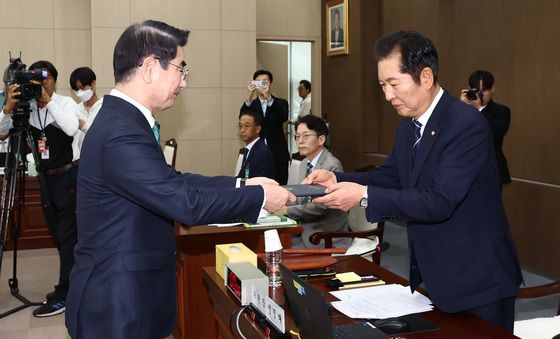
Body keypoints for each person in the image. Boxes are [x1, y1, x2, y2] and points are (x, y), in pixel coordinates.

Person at [64, 20, 294, 339]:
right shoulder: (121, 131)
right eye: (180, 69)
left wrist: (245, 185)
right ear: (148, 68)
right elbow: (183, 202)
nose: (184, 82)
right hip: (117, 303)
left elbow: (174, 181)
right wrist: (260, 200)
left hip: (129, 293)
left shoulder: (124, 120)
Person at [307, 31, 522, 332]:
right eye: (382, 85)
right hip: (438, 276)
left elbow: (438, 201)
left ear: (425, 76)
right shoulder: (408, 128)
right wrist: (337, 178)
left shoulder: (465, 125)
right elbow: (392, 177)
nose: (387, 95)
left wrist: (363, 195)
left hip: (478, 280)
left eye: (393, 84)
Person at [0, 60, 80, 317]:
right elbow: (1, 133)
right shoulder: (28, 108)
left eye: (45, 80)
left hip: (68, 178)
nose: (41, 85)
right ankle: (69, 285)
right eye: (36, 81)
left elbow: (70, 128)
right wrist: (8, 109)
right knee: (59, 235)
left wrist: (49, 101)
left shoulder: (65, 103)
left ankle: (65, 294)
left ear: (55, 80)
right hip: (46, 180)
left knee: (68, 237)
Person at [280, 114, 348, 248]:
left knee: (280, 250)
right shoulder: (304, 163)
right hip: (304, 227)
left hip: (324, 234)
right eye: (297, 136)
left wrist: (286, 211)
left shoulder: (331, 166)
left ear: (321, 139)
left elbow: (321, 208)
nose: (300, 141)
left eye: (306, 136)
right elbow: (300, 198)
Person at [461, 70, 512, 188]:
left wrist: (479, 108)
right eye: (477, 90)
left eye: (484, 90)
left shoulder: (502, 111)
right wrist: (461, 107)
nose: (481, 94)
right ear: (469, 89)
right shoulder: (461, 110)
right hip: (464, 170)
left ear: (492, 88)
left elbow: (494, 133)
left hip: (491, 171)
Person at [240, 70, 290, 185]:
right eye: (258, 82)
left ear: (270, 83)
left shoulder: (281, 103)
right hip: (257, 153)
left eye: (265, 82)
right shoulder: (251, 104)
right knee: (257, 186)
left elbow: (283, 117)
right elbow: (243, 118)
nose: (262, 85)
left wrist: (269, 99)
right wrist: (249, 95)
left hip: (278, 153)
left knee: (280, 186)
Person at [69, 67, 103, 160]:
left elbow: (104, 136)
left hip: (101, 159)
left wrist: (82, 125)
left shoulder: (105, 107)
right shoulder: (75, 109)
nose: (79, 93)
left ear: (93, 84)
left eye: (82, 88)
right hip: (78, 162)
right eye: (76, 90)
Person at [237, 110, 275, 179]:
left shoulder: (263, 152)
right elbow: (242, 177)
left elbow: (259, 182)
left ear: (258, 129)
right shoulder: (248, 149)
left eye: (246, 126)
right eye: (240, 126)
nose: (242, 130)